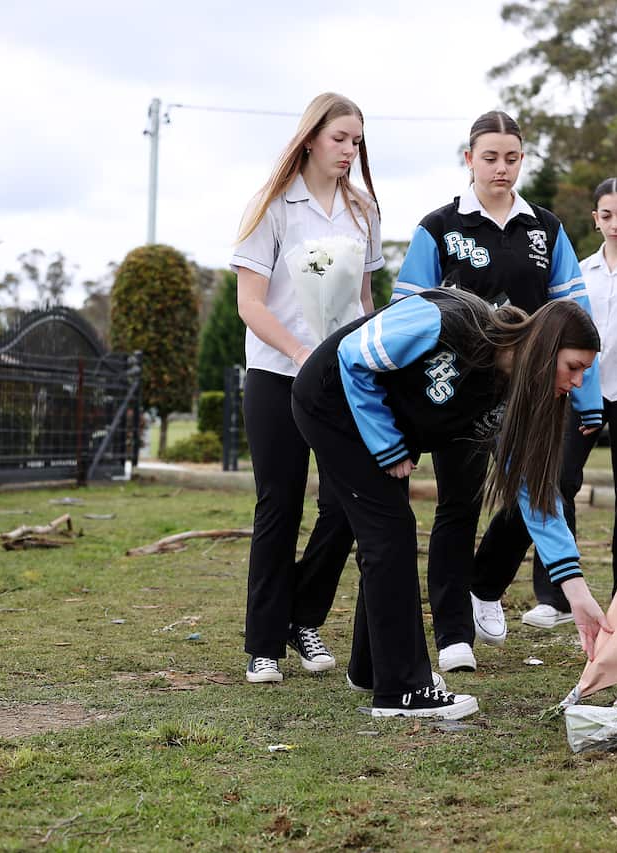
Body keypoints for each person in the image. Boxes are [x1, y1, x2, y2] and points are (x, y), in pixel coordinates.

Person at [290, 287, 611, 718]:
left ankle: (372, 669)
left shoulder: (510, 393)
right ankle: (402, 690)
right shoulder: (450, 321)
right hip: (331, 399)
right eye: (573, 367)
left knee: (387, 535)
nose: (576, 382)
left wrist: (575, 592)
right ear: (545, 347)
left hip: (375, 419)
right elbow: (353, 354)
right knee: (391, 534)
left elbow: (535, 492)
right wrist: (386, 442)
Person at [392, 110, 603, 672]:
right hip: (457, 395)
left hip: (535, 393)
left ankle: (484, 586)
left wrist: (587, 397)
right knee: (457, 504)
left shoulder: (547, 229)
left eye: (511, 158)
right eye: (490, 157)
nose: (501, 168)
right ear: (469, 159)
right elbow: (406, 311)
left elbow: (575, 315)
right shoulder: (439, 228)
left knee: (544, 488)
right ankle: (453, 633)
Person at [477, 177, 617, 628]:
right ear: (595, 219)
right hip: (576, 392)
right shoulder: (581, 270)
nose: (616, 223)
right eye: (607, 215)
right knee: (557, 481)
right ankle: (552, 596)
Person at [231, 92, 384, 684]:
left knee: (347, 502)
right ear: (311, 137)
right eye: (341, 138)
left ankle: (302, 615)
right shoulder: (271, 205)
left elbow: (365, 300)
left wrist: (366, 359)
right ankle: (263, 643)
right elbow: (250, 303)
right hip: (276, 374)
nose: (350, 150)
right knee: (280, 503)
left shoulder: (364, 210)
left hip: (342, 376)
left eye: (357, 141)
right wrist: (300, 352)